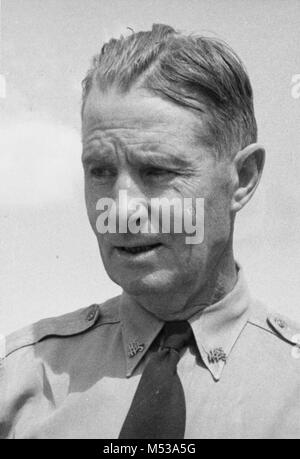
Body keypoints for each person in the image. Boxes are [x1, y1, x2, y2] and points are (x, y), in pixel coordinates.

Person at [1, 23, 300, 439]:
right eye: (101, 171)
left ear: (243, 178)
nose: (121, 210)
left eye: (157, 171)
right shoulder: (18, 381)